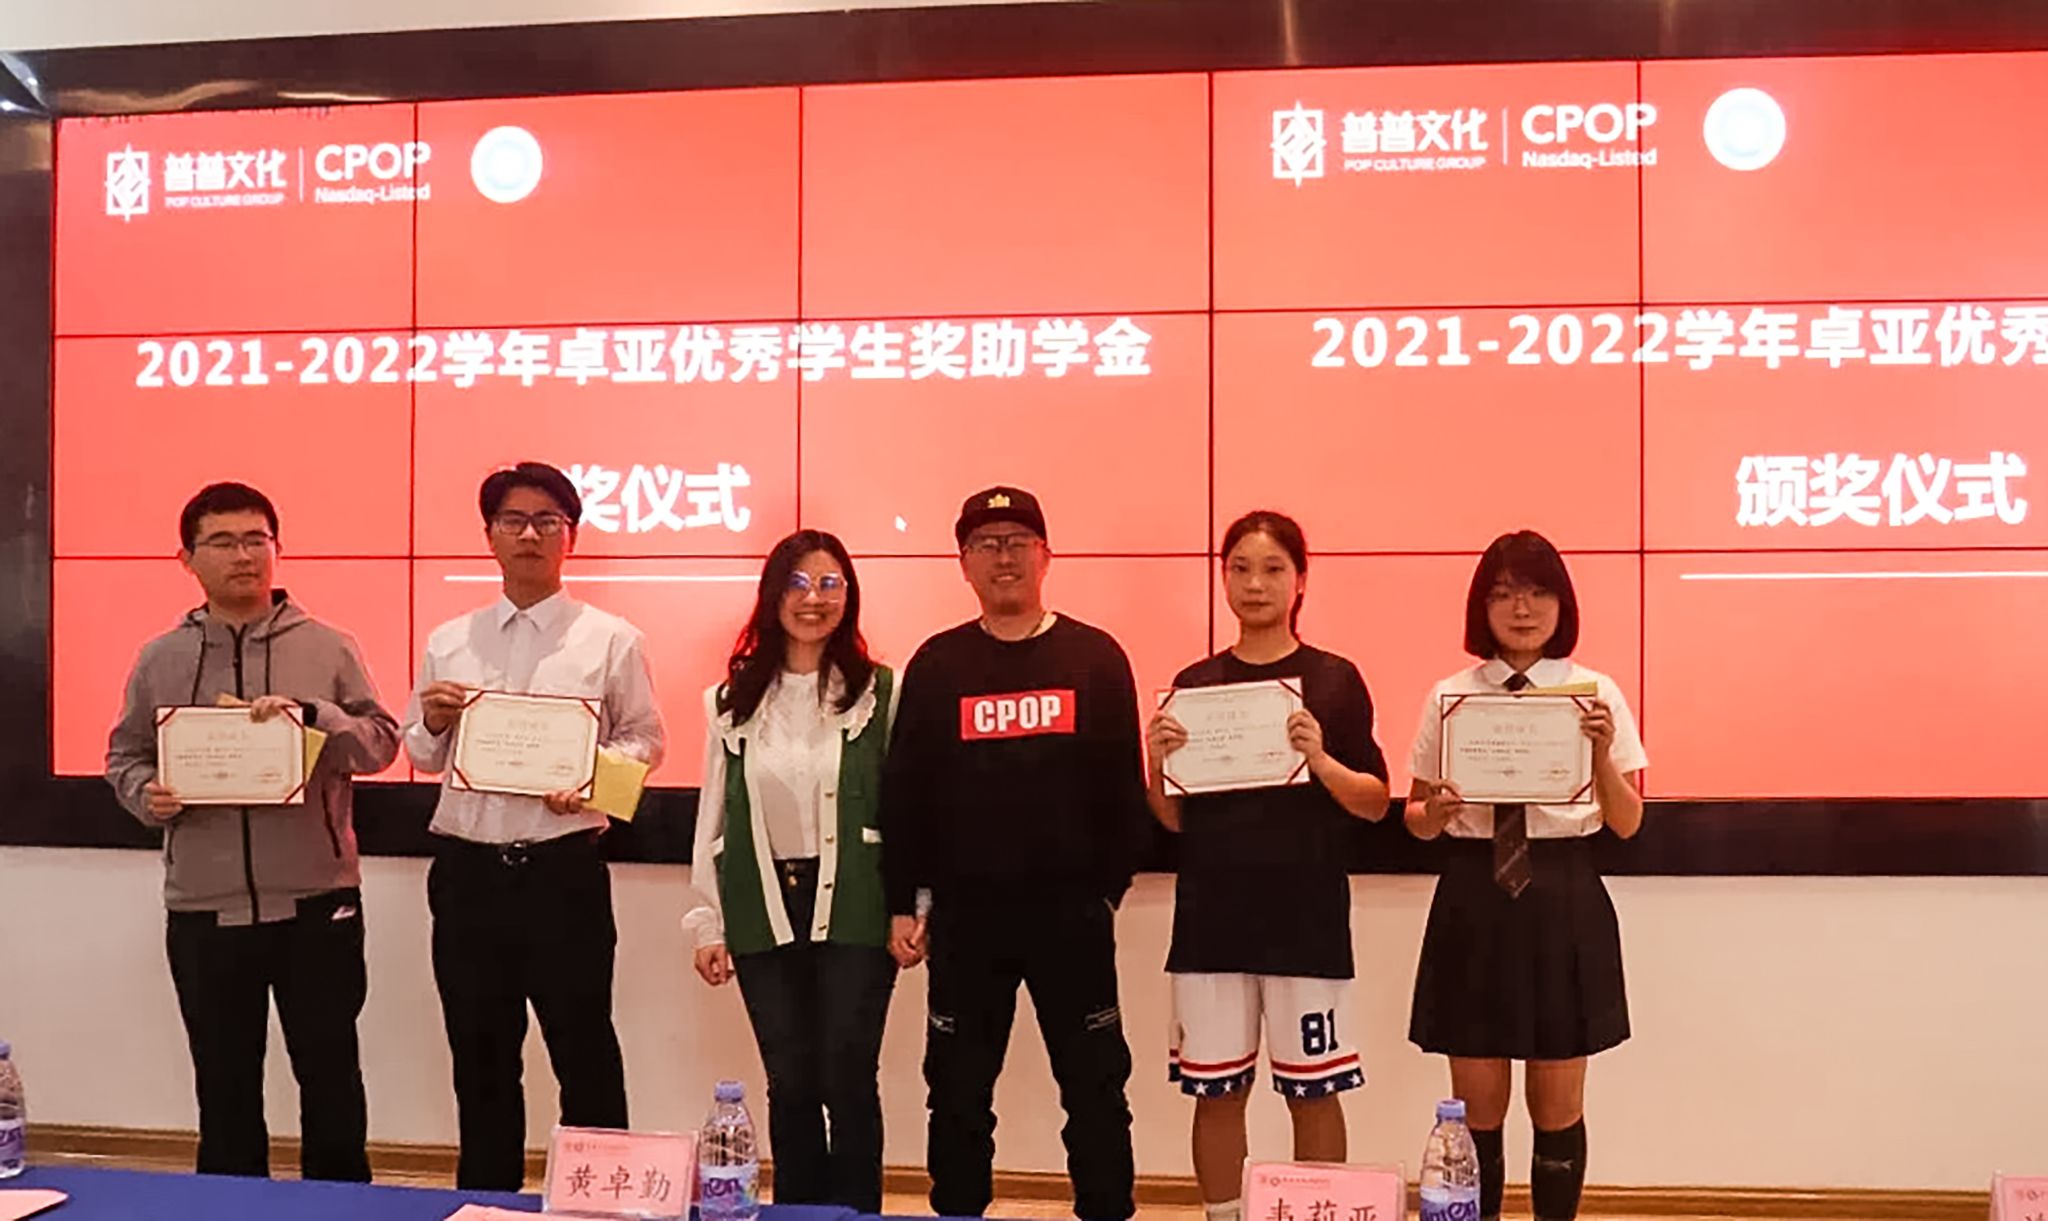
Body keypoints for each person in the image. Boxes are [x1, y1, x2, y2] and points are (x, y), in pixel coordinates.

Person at [105, 481, 400, 1181]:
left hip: (317, 905)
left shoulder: (328, 646)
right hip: (204, 909)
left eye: (255, 540)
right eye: (223, 541)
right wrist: (147, 794)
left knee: (331, 1079)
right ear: (187, 558)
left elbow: (381, 746)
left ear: (276, 548)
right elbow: (125, 756)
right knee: (224, 1086)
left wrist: (317, 715)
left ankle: (339, 1208)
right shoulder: (160, 658)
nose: (243, 555)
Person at [879, 486, 1146, 1221]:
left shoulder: (1095, 657)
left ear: (1045, 556)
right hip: (968, 923)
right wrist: (903, 901)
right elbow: (906, 797)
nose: (1004, 557)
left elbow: (1123, 789)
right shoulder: (938, 664)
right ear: (964, 563)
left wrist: (1105, 891)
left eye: (1018, 542)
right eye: (986, 544)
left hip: (1071, 920)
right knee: (957, 1091)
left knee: (1095, 1087)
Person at [402, 461, 666, 1190]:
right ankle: (488, 1198)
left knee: (584, 1050)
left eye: (547, 521)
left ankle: (604, 1200)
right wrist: (432, 720)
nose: (529, 534)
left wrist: (589, 779)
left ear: (569, 537)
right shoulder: (451, 640)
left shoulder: (611, 639)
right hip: (468, 873)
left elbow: (646, 740)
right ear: (489, 535)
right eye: (513, 520)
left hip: (562, 869)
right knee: (480, 1053)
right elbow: (421, 753)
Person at [1145, 511, 1390, 1221]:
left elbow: (1375, 802)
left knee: (1315, 1090)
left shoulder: (1335, 680)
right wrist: (1155, 764)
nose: (1255, 583)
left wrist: (1319, 759)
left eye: (1273, 568)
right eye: (1241, 568)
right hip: (1211, 921)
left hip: (1305, 919)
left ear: (1300, 579)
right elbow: (1174, 819)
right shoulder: (1195, 684)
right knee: (1217, 1091)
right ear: (1223, 578)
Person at [1404, 531, 1647, 1221]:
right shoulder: (1450, 695)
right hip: (1473, 895)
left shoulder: (1594, 693)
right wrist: (1434, 811)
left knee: (1557, 1104)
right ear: (1480, 607)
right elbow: (1416, 817)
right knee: (1476, 1107)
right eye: (1504, 593)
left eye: (1538, 592)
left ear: (1562, 604)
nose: (1522, 608)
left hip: (1562, 895)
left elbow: (1629, 820)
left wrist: (1600, 755)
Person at [682, 530, 898, 1212]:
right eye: (798, 583)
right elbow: (714, 817)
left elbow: (909, 807)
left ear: (849, 596)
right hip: (763, 905)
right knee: (791, 1081)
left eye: (830, 583)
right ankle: (801, 1211)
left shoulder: (879, 691)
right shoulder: (731, 699)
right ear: (772, 596)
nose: (813, 599)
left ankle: (855, 1211)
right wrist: (707, 922)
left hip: (857, 906)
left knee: (849, 1077)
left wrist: (916, 903)